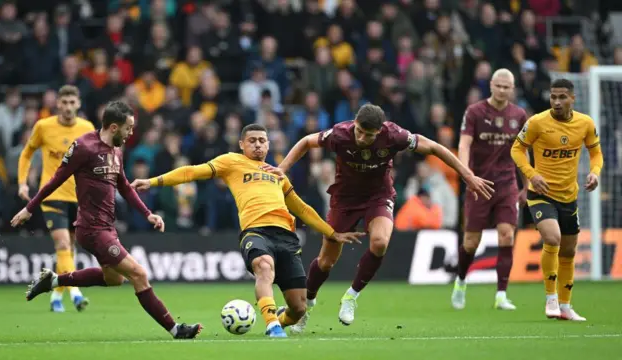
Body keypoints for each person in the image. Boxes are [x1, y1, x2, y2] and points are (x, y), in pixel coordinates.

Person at [262, 103, 494, 331]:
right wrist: (283, 168)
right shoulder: (340, 134)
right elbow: (306, 142)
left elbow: (434, 147)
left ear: (380, 130)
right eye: (359, 131)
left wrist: (467, 175)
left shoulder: (394, 136)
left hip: (378, 196)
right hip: (345, 199)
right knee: (326, 261)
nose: (362, 138)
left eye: (369, 135)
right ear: (354, 123)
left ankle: (351, 296)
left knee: (380, 242)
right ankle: (308, 305)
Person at [131, 124, 364, 338]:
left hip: (286, 237)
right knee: (263, 265)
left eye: (262, 140)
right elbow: (191, 172)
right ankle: (272, 324)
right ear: (242, 144)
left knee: (299, 308)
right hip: (255, 232)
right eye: (252, 140)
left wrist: (332, 233)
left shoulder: (277, 174)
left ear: (268, 144)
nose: (258, 144)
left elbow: (301, 208)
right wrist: (152, 182)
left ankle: (280, 319)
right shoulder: (231, 162)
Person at [12, 101, 202, 339]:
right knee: (139, 275)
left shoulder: (116, 150)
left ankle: (54, 280)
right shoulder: (84, 147)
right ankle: (175, 329)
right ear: (114, 127)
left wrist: (148, 213)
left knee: (114, 279)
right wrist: (29, 208)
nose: (131, 132)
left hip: (107, 228)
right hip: (91, 229)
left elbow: (124, 185)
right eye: (128, 128)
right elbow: (56, 179)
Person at [511, 78, 603, 321]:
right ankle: (550, 299)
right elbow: (516, 149)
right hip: (540, 194)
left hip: (568, 196)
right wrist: (532, 175)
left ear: (572, 98)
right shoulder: (537, 122)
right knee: (553, 238)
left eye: (562, 97)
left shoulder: (585, 123)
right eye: (553, 97)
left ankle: (565, 306)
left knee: (569, 252)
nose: (557, 102)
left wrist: (595, 172)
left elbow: (596, 153)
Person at [451, 69, 528, 311]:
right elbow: (464, 143)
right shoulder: (474, 112)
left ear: (512, 89)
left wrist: (527, 184)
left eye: (507, 87)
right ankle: (461, 281)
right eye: (499, 86)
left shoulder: (519, 115)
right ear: (491, 85)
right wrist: (467, 174)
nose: (503, 90)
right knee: (471, 241)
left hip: (507, 184)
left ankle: (501, 294)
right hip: (480, 184)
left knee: (507, 234)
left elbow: (523, 151)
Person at [17, 85, 95, 312]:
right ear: (57, 104)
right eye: (65, 102)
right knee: (62, 243)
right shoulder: (43, 126)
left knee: (69, 248)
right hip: (52, 195)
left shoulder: (87, 128)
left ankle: (55, 297)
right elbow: (27, 152)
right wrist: (22, 182)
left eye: (73, 103)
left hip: (78, 197)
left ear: (78, 104)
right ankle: (76, 294)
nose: (69, 107)